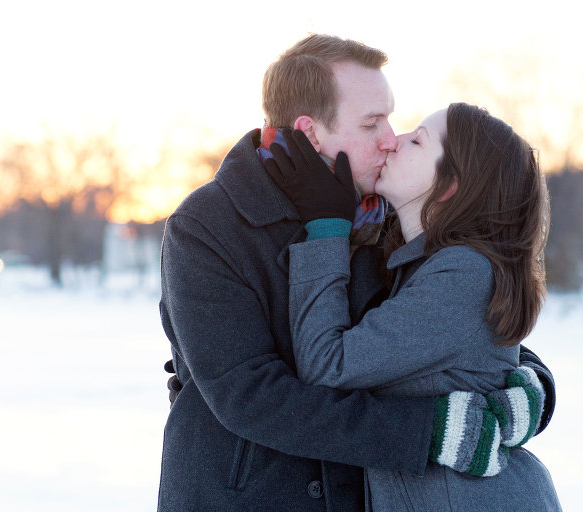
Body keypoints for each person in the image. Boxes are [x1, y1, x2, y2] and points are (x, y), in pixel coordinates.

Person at [158, 34, 557, 512]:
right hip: (248, 496)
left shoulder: (385, 212)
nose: (391, 138)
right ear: (311, 134)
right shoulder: (208, 226)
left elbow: (443, 329)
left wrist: (531, 385)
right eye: (372, 123)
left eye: (390, 118)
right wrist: (431, 431)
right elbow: (251, 395)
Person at [264, 104, 561, 510]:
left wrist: (325, 229)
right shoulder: (425, 264)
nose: (393, 140)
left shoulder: (463, 273)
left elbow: (328, 366)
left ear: (451, 184)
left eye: (417, 140)